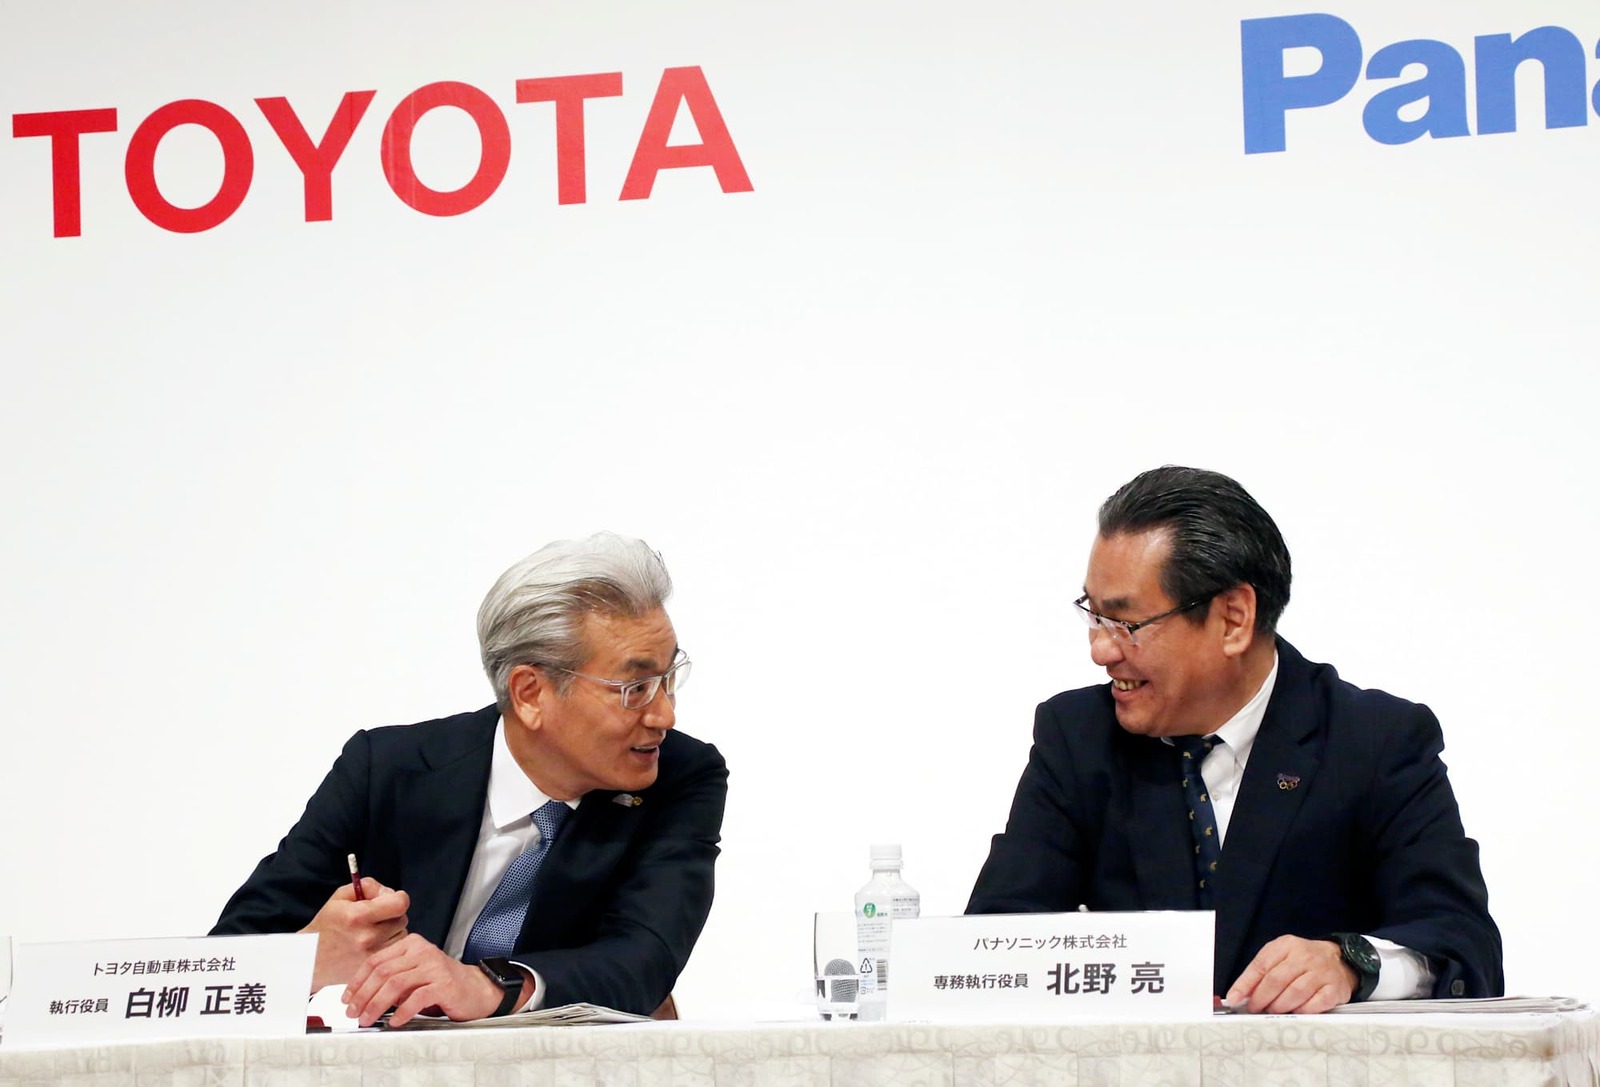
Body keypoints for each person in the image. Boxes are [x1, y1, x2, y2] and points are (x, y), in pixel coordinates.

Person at [966, 467, 1501, 1013]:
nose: (1100, 651)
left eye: (1126, 624)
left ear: (1233, 619)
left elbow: (1464, 945)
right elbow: (993, 938)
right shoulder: (1078, 736)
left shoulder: (1375, 742)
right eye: (1094, 616)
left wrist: (1352, 963)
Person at [211, 532, 727, 1025]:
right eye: (635, 688)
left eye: (668, 678)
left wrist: (487, 986)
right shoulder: (387, 770)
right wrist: (308, 960)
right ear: (530, 694)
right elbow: (218, 964)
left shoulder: (680, 777)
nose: (665, 715)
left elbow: (644, 958)